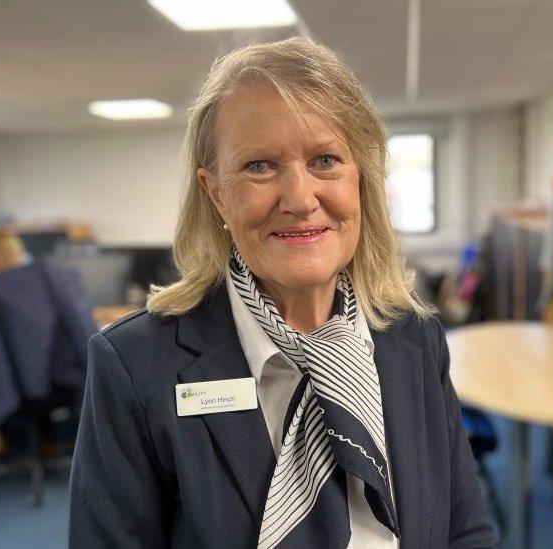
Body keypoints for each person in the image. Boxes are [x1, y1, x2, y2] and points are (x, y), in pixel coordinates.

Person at [69, 37, 496, 549]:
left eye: (325, 160)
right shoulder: (134, 367)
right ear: (216, 193)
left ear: (361, 178)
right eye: (259, 166)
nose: (299, 198)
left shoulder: (415, 336)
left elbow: (465, 530)